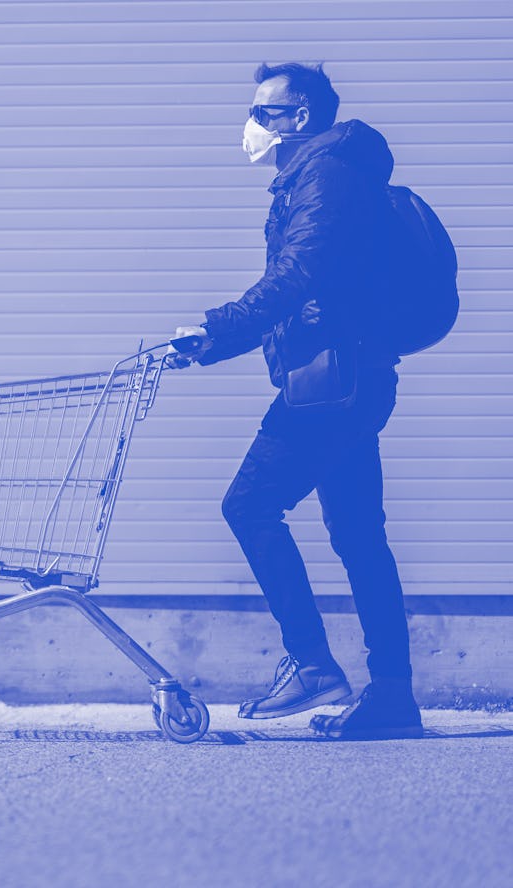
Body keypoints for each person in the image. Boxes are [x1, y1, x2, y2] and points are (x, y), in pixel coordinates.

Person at [170, 62, 423, 740]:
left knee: (249, 505)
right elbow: (305, 292)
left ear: (301, 115)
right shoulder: (322, 172)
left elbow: (299, 271)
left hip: (333, 387)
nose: (254, 124)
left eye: (266, 112)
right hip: (348, 377)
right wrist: (215, 346)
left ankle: (313, 663)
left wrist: (221, 322)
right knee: (360, 539)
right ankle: (392, 696)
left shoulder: (326, 173)